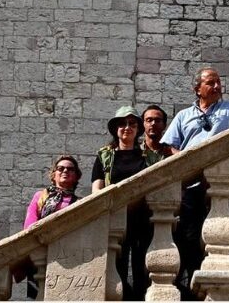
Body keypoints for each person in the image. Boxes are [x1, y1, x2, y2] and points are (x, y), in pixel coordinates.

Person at [160, 68, 229, 299]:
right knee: (189, 234)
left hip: (218, 182)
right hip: (190, 185)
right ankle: (192, 282)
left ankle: (211, 281)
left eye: (219, 82)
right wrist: (187, 163)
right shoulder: (184, 115)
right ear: (197, 89)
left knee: (215, 232)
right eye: (211, 83)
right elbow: (169, 145)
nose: (217, 86)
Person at [91, 106, 166, 300]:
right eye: (122, 124)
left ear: (138, 129)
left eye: (132, 124)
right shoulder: (105, 157)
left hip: (142, 221)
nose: (127, 127)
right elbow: (96, 190)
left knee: (143, 269)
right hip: (115, 221)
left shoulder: (149, 157)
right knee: (117, 269)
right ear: (115, 129)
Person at [21, 155, 82, 299]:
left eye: (70, 169)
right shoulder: (41, 196)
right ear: (54, 174)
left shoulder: (80, 202)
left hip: (66, 256)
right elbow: (30, 224)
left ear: (76, 176)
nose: (65, 171)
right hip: (40, 253)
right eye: (61, 168)